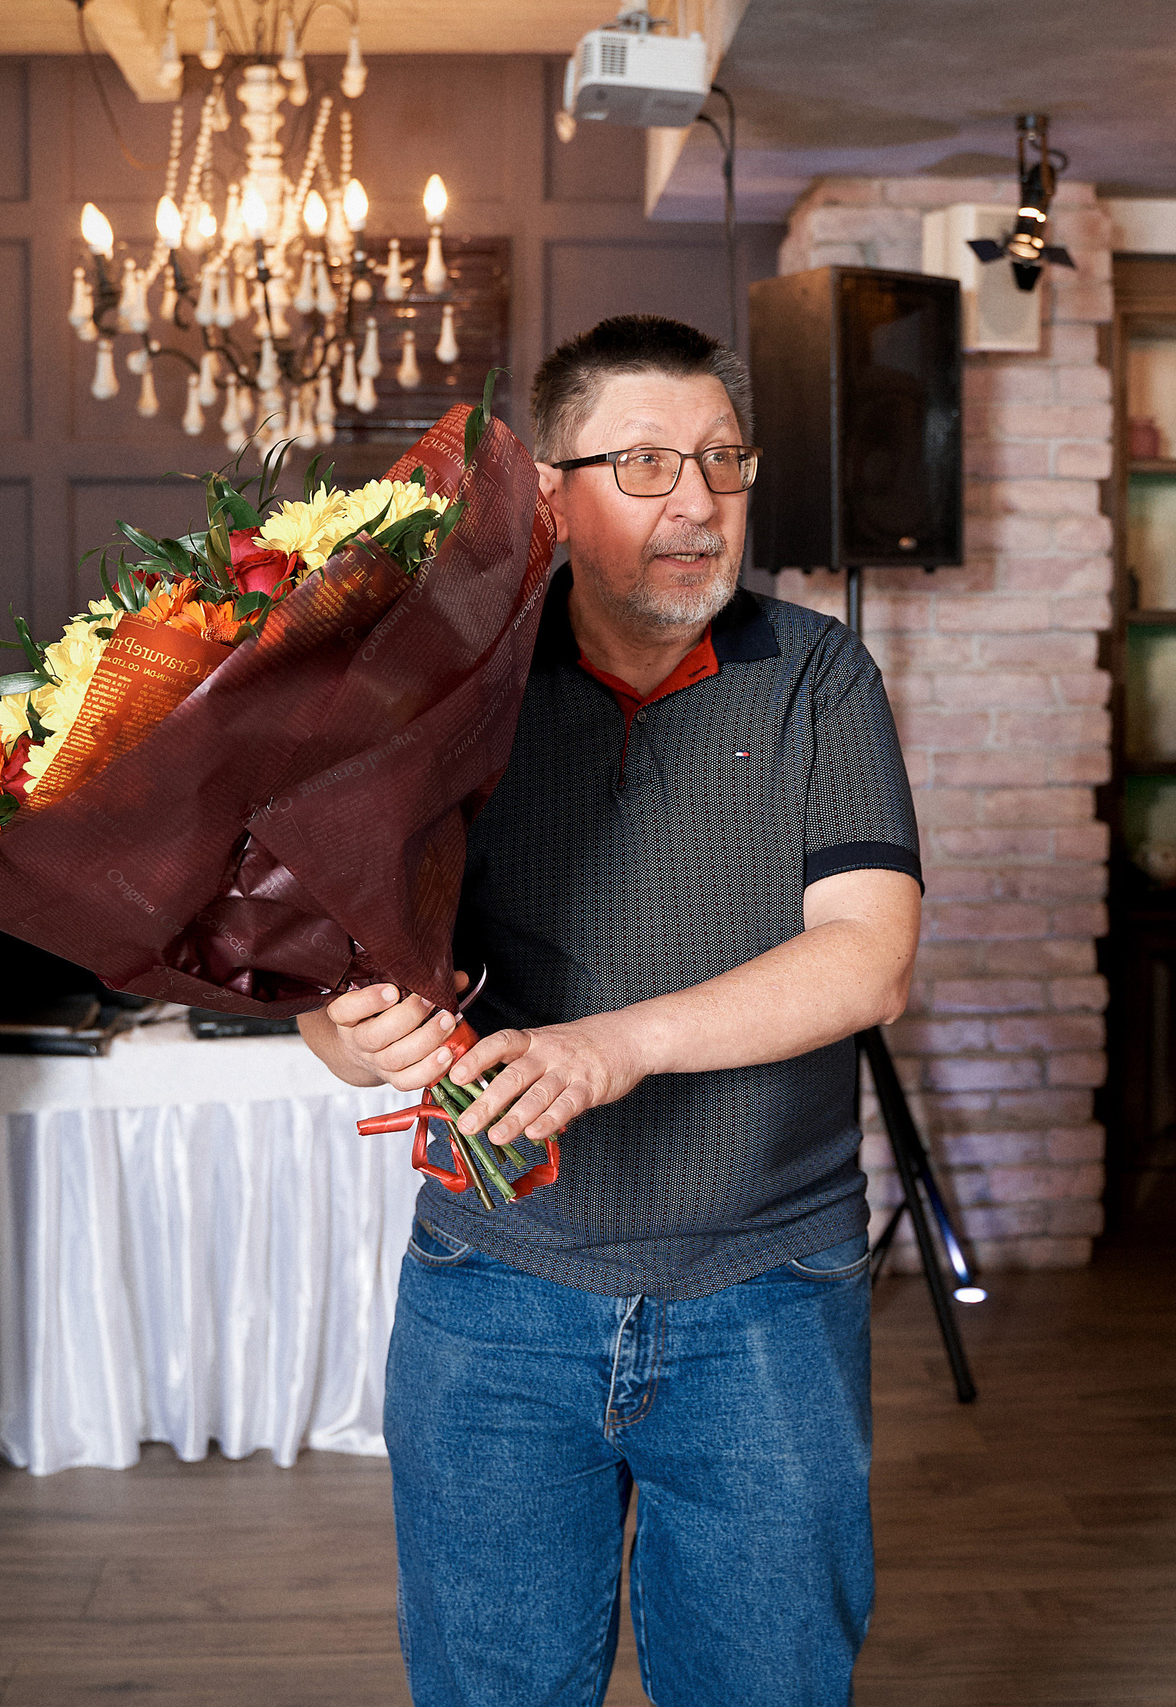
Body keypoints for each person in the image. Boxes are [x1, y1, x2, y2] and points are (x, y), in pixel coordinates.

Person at [298, 315, 923, 1706]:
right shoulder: (452, 693)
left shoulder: (822, 678)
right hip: (496, 1297)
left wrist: (612, 1043)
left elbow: (866, 959)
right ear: (548, 496)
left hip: (768, 1295)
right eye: (644, 462)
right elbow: (336, 1002)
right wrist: (361, 1033)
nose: (696, 500)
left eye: (721, 459)